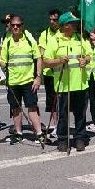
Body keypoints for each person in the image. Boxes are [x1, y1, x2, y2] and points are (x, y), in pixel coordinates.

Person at [42, 12, 91, 152]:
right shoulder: (54, 40)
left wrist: (85, 60)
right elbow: (45, 61)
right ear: (65, 25)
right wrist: (59, 61)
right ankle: (63, 139)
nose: (75, 25)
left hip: (81, 83)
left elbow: (88, 56)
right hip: (63, 85)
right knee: (63, 114)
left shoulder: (80, 38)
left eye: (75, 22)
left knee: (80, 114)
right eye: (72, 23)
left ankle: (80, 138)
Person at [0, 15, 46, 144]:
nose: (15, 27)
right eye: (13, 25)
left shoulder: (29, 39)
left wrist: (38, 77)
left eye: (18, 25)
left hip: (28, 81)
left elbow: (38, 58)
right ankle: (18, 133)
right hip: (13, 82)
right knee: (16, 109)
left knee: (32, 107)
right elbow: (3, 62)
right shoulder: (7, 41)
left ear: (22, 26)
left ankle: (39, 134)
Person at [38, 9, 60, 138]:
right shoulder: (44, 34)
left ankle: (61, 124)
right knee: (52, 102)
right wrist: (39, 74)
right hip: (49, 73)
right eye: (50, 19)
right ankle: (56, 125)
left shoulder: (63, 32)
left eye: (55, 19)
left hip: (62, 72)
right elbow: (41, 54)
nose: (52, 22)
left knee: (62, 101)